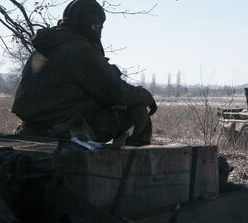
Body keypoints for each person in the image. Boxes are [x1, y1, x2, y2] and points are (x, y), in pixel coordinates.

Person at [12, 0, 157, 146]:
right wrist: (147, 97)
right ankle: (132, 166)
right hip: (63, 126)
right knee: (137, 112)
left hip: (36, 125)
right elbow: (117, 92)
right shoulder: (79, 49)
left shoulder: (50, 45)